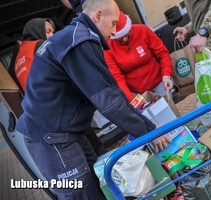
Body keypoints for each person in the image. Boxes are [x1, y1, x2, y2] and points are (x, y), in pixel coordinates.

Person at [16, 0, 171, 199]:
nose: (115, 32)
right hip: (51, 139)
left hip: (71, 134)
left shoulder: (75, 37)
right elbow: (109, 102)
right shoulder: (79, 42)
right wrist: (149, 132)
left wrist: (147, 127)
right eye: (113, 23)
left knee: (102, 183)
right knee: (83, 194)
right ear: (98, 16)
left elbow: (112, 92)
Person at [104, 11, 174, 102]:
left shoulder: (143, 30)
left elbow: (162, 53)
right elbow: (117, 77)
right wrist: (131, 99)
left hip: (160, 82)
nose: (124, 39)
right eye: (120, 39)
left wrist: (166, 74)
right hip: (137, 93)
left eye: (126, 34)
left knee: (170, 113)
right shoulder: (108, 48)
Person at [14, 18, 55, 93]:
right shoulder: (39, 45)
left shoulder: (17, 59)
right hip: (51, 94)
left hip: (35, 100)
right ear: (37, 30)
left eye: (53, 32)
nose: (52, 35)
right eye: (48, 32)